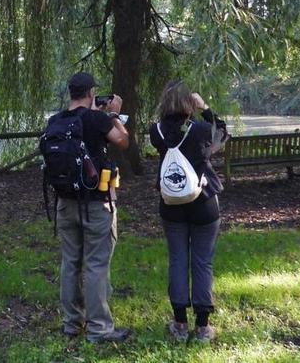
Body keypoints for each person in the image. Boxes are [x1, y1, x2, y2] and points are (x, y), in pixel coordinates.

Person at [50, 72, 130, 343]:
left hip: (65, 203)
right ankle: (99, 329)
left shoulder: (56, 121)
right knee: (96, 265)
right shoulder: (97, 119)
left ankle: (72, 323)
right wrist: (115, 115)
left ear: (71, 93)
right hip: (95, 204)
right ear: (91, 93)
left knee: (70, 262)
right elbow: (123, 140)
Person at [149, 80, 228, 343]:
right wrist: (204, 108)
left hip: (171, 204)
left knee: (177, 260)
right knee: (202, 261)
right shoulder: (202, 129)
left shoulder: (157, 132)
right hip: (204, 202)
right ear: (189, 102)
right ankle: (203, 327)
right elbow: (222, 134)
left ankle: (180, 324)